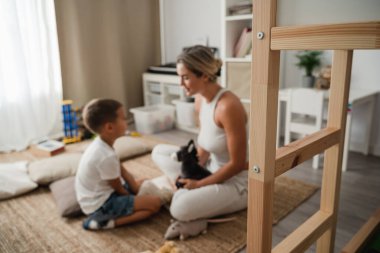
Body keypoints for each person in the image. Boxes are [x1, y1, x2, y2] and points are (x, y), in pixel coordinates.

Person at [152, 45, 248, 222]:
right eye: (179, 77)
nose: (181, 84)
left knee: (179, 209)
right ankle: (186, 192)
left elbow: (237, 164)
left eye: (186, 78)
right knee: (158, 151)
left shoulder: (228, 106)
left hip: (236, 183)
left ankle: (185, 196)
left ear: (204, 75)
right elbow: (204, 146)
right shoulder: (199, 100)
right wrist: (190, 173)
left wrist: (198, 185)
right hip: (210, 170)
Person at [75, 98, 161, 230]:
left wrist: (135, 187)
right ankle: (103, 222)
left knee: (144, 181)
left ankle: (112, 215)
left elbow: (121, 170)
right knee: (154, 204)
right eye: (124, 119)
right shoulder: (105, 155)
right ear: (109, 127)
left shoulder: (103, 144)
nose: (127, 122)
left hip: (102, 193)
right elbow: (118, 188)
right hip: (100, 204)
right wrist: (131, 197)